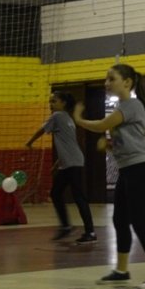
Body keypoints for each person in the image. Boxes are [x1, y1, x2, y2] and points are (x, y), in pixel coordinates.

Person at [72, 63, 145, 289]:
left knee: (139, 222)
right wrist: (108, 145)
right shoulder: (124, 107)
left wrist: (79, 119)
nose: (107, 83)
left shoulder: (132, 105)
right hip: (128, 169)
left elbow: (102, 125)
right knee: (119, 220)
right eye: (106, 79)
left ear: (127, 82)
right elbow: (124, 141)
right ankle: (122, 270)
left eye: (111, 78)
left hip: (140, 169)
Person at [27, 90, 96, 244]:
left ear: (63, 103)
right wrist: (58, 163)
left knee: (79, 198)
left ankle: (90, 232)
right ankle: (65, 226)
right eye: (50, 101)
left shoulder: (57, 116)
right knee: (56, 193)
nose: (50, 104)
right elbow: (67, 144)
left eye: (54, 101)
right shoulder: (67, 118)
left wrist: (29, 142)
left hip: (73, 163)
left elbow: (41, 130)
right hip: (70, 162)